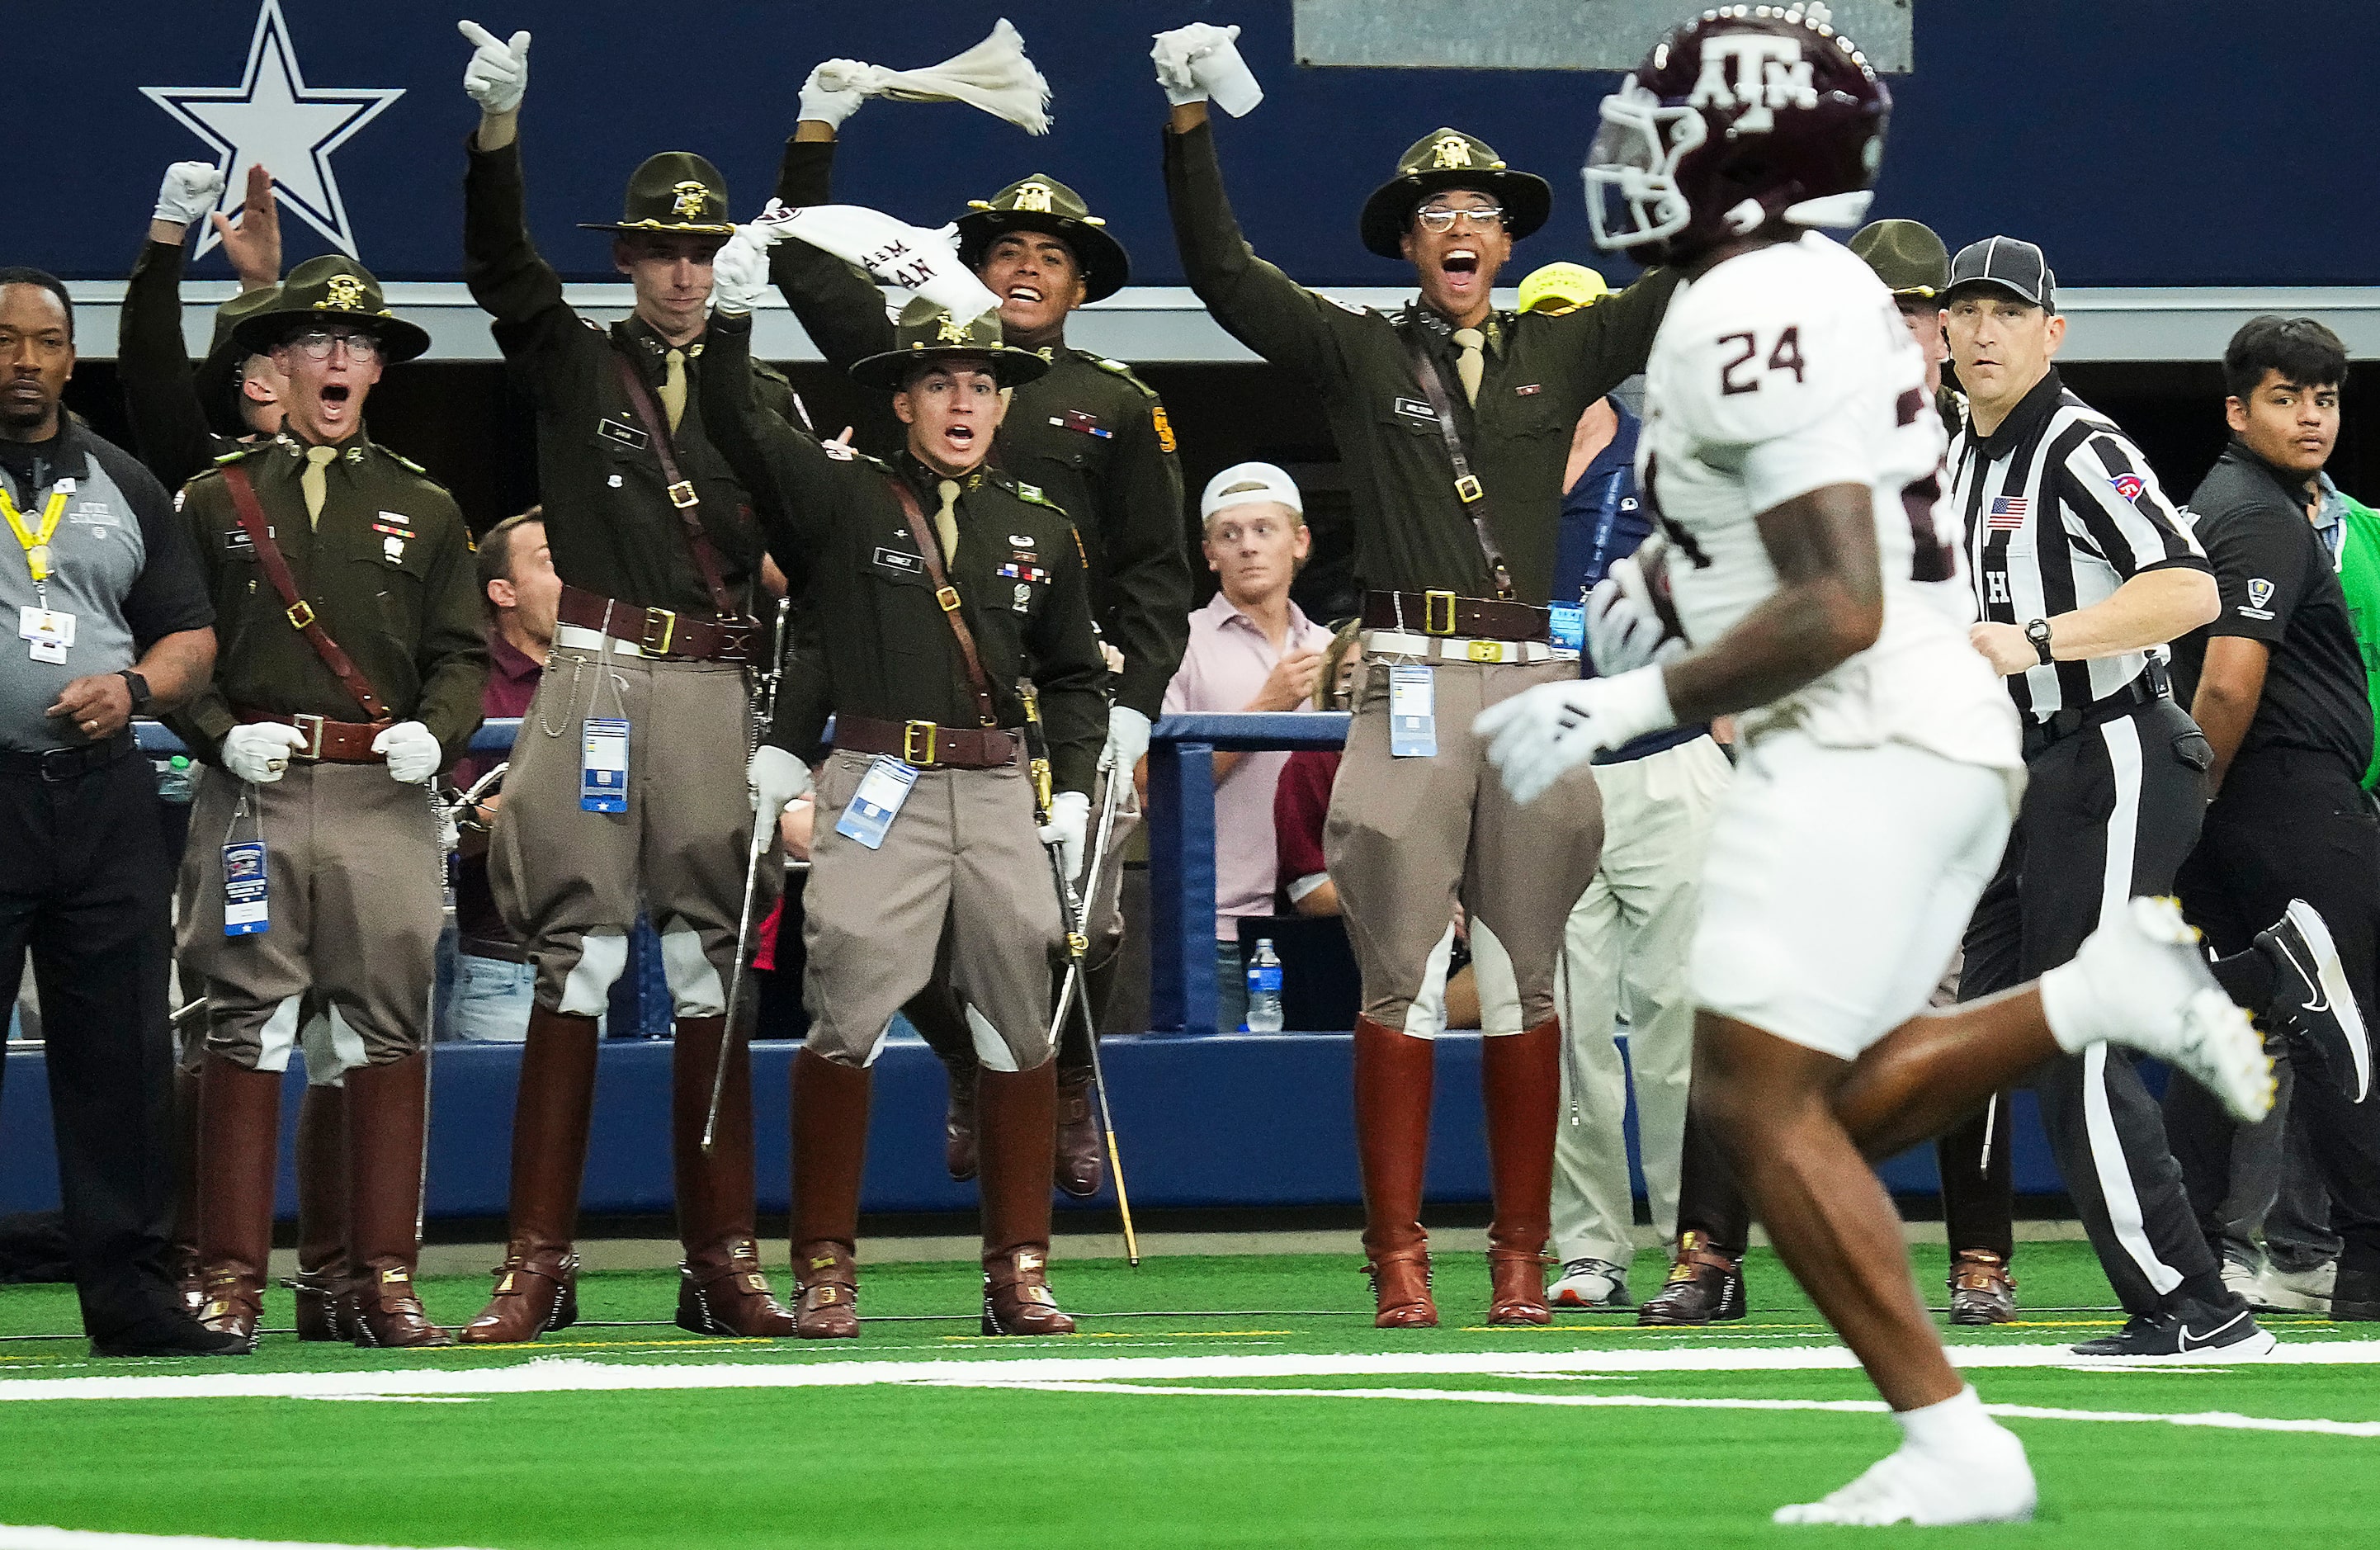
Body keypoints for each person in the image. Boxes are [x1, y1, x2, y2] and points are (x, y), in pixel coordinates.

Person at [1479, 9, 2274, 1524]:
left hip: (1874, 726)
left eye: (1670, 121)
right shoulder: (1818, 300)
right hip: (1929, 733)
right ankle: (2081, 1002)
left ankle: (1952, 1435)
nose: (1631, 148)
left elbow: (1834, 594)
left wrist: (1625, 693)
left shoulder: (1745, 313)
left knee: (1761, 1105)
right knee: (1781, 1101)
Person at [1156, 20, 1677, 1328]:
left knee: (1525, 978)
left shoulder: (1565, 351)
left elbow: (1690, 276)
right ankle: (1397, 1260)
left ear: (1509, 246)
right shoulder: (1360, 352)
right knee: (1398, 973)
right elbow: (1223, 274)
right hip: (1403, 674)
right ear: (1409, 241)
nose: (1460, 227)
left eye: (1483, 213)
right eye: (1438, 210)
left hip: (1529, 675)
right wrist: (1186, 127)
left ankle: (1518, 1262)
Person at [771, 71, 1191, 1198]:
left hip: (1064, 697)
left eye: (1051, 257)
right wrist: (817, 136)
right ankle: (967, 1062)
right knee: (888, 926)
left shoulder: (1119, 400)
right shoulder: (911, 354)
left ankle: (1055, 1084)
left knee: (1084, 925)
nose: (1027, 270)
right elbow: (802, 258)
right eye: (1008, 250)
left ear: (1080, 284)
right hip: (908, 701)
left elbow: (1157, 572)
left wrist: (1137, 703)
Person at [454, 20, 805, 1342]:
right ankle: (535, 1263)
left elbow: (800, 541)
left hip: (715, 685)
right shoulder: (570, 359)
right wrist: (496, 129)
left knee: (711, 961)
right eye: (663, 247)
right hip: (598, 671)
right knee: (582, 953)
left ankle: (723, 1260)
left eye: (703, 249)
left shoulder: (751, 387)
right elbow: (498, 265)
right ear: (628, 256)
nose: (683, 269)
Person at [702, 229, 1106, 1340]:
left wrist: (1070, 784)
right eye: (940, 382)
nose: (964, 401)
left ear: (1003, 401)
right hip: (879, 775)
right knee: (850, 1010)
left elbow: (1074, 673)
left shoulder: (1044, 529)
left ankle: (1017, 1270)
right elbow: (738, 429)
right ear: (903, 402)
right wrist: (734, 321)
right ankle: (827, 1267)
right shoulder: (846, 502)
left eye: (981, 382)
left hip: (996, 791)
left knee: (1023, 1018)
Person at [1943, 234, 2342, 1356]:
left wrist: (2038, 638)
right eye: (1964, 312)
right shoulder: (1958, 457)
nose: (1981, 331)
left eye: (2005, 313)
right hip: (2036, 773)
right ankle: (2251, 973)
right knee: (2011, 1024)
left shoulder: (2077, 444)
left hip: (2109, 750)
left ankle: (2194, 1303)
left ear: (2051, 332)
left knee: (2075, 1036)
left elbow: (2187, 587)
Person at [168, 258, 487, 1351]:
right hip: (254, 785)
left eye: (360, 348)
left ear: (380, 373)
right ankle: (228, 1281)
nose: (342, 360)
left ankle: (373, 1280)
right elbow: (173, 649)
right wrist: (215, 732)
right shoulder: (212, 500)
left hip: (378, 789)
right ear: (276, 365)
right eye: (318, 344)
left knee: (381, 1029)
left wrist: (432, 734)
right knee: (245, 1025)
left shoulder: (426, 503)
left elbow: (461, 655)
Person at [0, 267, 229, 1357]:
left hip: (98, 799)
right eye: (5, 340)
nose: (24, 360)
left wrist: (134, 689)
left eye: (44, 341)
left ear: (69, 356)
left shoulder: (122, 480)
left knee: (124, 1056)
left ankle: (134, 1300)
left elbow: (188, 635)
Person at [2165, 315, 2379, 1322]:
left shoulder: (2253, 503)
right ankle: (2366, 1255)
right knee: (2344, 1024)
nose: (2309, 418)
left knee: (2236, 1023)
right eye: (2285, 398)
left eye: (2324, 398)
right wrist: (2198, 802)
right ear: (2236, 410)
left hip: (2254, 804)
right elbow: (2226, 685)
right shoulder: (2253, 512)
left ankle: (2200, 1247)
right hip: (2283, 804)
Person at [1534, 359, 1733, 1313]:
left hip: (1667, 759)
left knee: (1674, 1023)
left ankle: (1694, 1247)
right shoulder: (1502, 468)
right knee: (1572, 1029)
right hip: (1552, 772)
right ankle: (1589, 1250)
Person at [1157, 464, 1335, 1031]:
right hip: (1219, 925)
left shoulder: (1336, 650)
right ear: (1209, 553)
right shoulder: (1177, 645)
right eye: (1229, 535)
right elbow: (1146, 786)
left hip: (1328, 918)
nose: (1248, 547)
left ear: (1300, 542)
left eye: (1265, 529)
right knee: (1222, 1095)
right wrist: (1264, 711)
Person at [446, 508, 560, 1042]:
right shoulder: (468, 683)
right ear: (503, 592)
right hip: (506, 972)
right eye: (550, 561)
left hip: (613, 965)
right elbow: (456, 825)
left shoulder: (606, 675)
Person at [120, 162, 289, 492]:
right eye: (307, 345)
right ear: (258, 387)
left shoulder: (366, 479)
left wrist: (259, 286)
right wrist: (170, 225)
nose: (336, 359)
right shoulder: (208, 472)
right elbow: (153, 367)